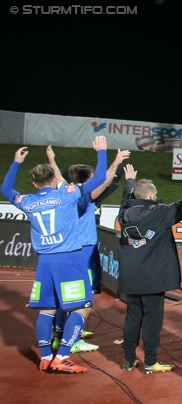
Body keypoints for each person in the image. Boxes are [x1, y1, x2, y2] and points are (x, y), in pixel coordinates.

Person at [1, 142, 123, 374]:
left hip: (44, 263)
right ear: (55, 180)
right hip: (69, 260)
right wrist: (101, 153)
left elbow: (6, 189)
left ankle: (46, 356)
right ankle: (64, 355)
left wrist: (16, 162)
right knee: (82, 306)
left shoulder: (28, 200)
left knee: (46, 310)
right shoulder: (66, 195)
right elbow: (98, 180)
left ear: (35, 184)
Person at [118, 164, 182, 373]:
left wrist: (129, 181)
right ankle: (150, 361)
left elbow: (126, 198)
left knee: (132, 317)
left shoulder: (125, 213)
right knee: (152, 321)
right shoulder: (158, 213)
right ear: (151, 196)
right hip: (152, 279)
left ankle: (129, 359)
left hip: (130, 277)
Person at [43, 143, 111, 353]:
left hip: (67, 250)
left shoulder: (65, 190)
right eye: (90, 177)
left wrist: (52, 160)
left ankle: (59, 334)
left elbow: (58, 177)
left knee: (64, 295)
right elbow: (103, 180)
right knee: (82, 299)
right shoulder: (81, 197)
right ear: (86, 180)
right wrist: (107, 156)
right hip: (84, 250)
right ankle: (73, 340)